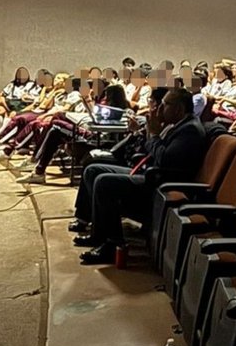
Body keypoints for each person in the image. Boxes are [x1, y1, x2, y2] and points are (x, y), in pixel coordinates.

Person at [78, 88, 207, 264]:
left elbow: (164, 160)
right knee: (93, 170)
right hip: (151, 173)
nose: (159, 109)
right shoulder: (177, 124)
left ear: (179, 109)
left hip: (161, 184)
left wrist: (153, 134)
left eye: (165, 104)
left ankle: (113, 244)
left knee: (104, 182)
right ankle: (98, 236)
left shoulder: (190, 130)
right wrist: (148, 132)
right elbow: (153, 150)